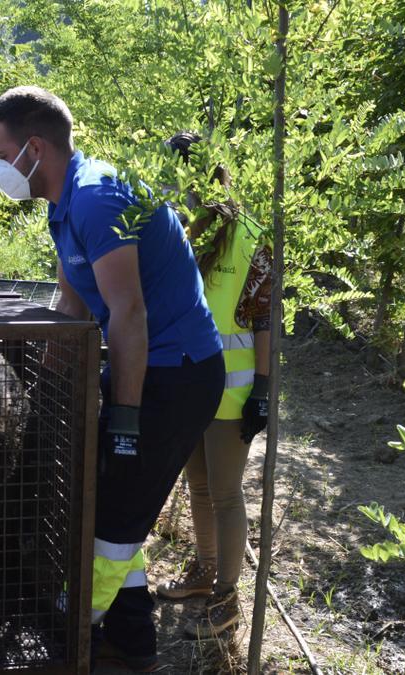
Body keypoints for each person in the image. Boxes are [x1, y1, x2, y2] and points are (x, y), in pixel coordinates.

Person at [0, 87, 225, 671]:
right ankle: (133, 638)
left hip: (177, 375)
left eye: (1, 152)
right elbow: (71, 309)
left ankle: (71, 635)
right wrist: (39, 400)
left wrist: (124, 417)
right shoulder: (62, 206)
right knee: (107, 501)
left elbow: (129, 314)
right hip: (143, 368)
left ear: (35, 147)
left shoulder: (95, 198)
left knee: (116, 513)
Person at [155, 132, 272, 641]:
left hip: (231, 392)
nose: (178, 188)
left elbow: (265, 319)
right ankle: (205, 574)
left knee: (225, 493)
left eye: (184, 177)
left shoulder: (250, 235)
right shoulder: (179, 232)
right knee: (198, 485)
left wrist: (263, 389)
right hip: (187, 384)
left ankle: (227, 602)